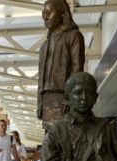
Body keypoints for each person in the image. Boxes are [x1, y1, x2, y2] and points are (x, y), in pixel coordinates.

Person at [38, 0, 85, 132]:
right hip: (47, 99)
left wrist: (71, 99)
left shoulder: (74, 36)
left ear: (62, 12)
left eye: (48, 13)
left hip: (63, 97)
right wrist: (39, 103)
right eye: (43, 14)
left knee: (65, 137)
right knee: (50, 140)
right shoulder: (44, 46)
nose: (45, 17)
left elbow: (77, 71)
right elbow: (40, 78)